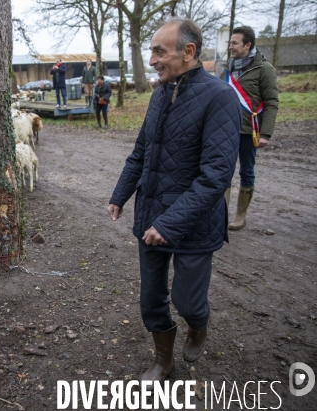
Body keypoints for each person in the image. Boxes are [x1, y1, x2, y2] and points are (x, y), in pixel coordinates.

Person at [107, 18, 241, 388]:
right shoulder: (159, 94)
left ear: (188, 52)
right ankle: (163, 362)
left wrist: (170, 223)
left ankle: (199, 326)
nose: (152, 60)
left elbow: (216, 175)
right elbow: (141, 153)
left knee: (188, 302)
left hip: (195, 224)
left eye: (159, 51)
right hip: (151, 214)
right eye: (151, 51)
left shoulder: (220, 98)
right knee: (151, 300)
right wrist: (121, 194)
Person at [221, 26, 279, 230]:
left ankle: (240, 216)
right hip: (226, 130)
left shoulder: (264, 69)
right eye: (230, 42)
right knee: (223, 171)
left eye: (235, 43)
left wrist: (265, 133)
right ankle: (222, 214)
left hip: (248, 131)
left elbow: (271, 102)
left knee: (246, 171)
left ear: (248, 45)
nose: (230, 46)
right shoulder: (228, 68)